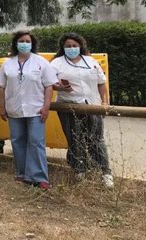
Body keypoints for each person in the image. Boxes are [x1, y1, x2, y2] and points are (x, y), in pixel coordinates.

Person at [50, 32, 113, 187]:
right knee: (74, 139)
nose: (71, 48)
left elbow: (101, 83)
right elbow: (47, 82)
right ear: (62, 48)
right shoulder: (56, 63)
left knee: (96, 140)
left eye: (74, 46)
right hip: (68, 106)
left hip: (92, 106)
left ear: (80, 46)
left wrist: (104, 102)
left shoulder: (91, 61)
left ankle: (105, 172)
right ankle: (79, 171)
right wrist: (59, 86)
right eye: (68, 46)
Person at [0, 30, 56, 190]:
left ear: (32, 44)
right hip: (14, 108)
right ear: (16, 44)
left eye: (27, 41)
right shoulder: (8, 63)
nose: (24, 44)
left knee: (36, 142)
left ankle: (40, 177)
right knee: (17, 141)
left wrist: (46, 106)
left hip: (36, 109)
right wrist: (2, 107)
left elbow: (49, 85)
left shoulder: (41, 62)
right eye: (21, 41)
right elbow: (1, 86)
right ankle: (22, 174)